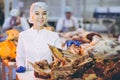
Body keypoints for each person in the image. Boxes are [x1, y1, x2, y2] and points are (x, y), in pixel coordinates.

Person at [16, 2, 62, 73]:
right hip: (28, 75)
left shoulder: (54, 36)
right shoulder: (23, 35)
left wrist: (67, 47)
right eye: (37, 13)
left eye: (44, 13)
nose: (41, 17)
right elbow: (20, 56)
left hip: (47, 75)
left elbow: (60, 56)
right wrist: (21, 65)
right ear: (32, 15)